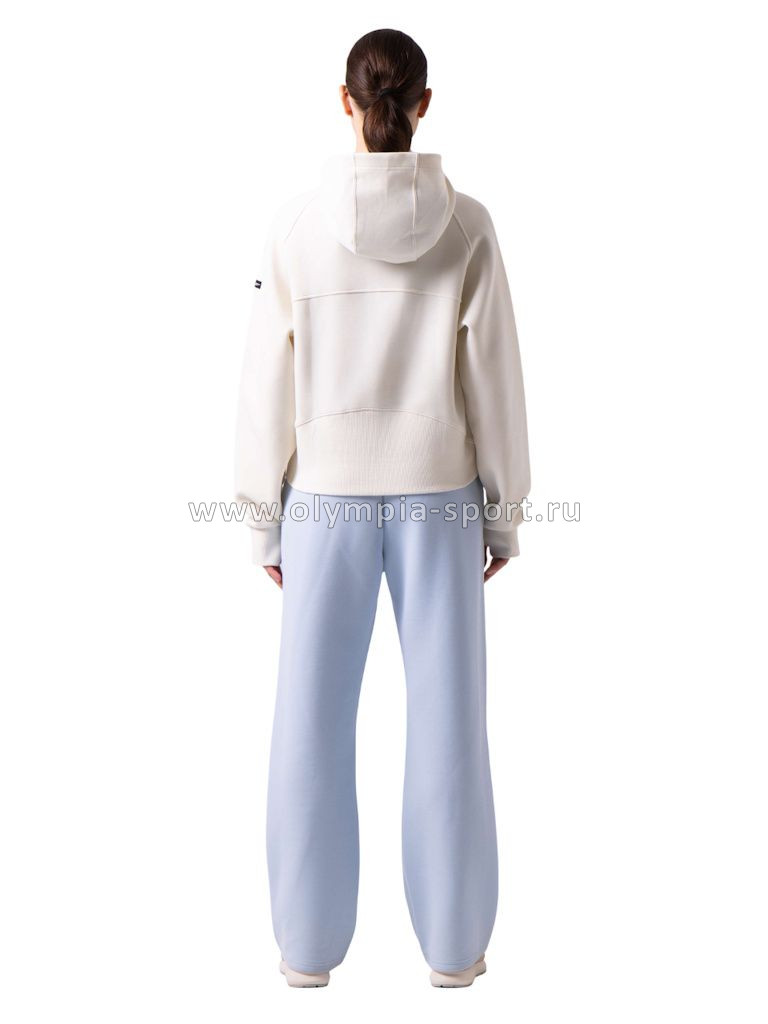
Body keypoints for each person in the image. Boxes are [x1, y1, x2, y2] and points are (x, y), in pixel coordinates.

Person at [234, 27, 530, 988]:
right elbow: (496, 382)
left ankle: (306, 953)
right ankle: (455, 951)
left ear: (346, 103)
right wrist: (504, 512)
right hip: (441, 497)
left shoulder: (296, 227)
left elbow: (264, 384)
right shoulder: (468, 226)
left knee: (308, 722)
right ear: (424, 104)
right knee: (450, 722)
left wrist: (261, 516)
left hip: (322, 501)